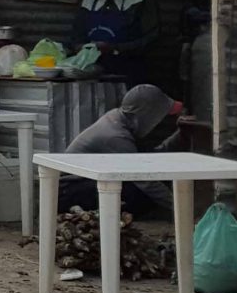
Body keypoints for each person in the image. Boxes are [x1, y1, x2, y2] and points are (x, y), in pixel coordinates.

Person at [57, 83, 183, 218]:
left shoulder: (120, 119)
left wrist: (182, 134)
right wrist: (182, 208)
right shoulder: (116, 137)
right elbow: (145, 179)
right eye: (159, 117)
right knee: (140, 195)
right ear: (147, 115)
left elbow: (151, 159)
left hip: (84, 183)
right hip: (71, 190)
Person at [68, 0, 158, 83]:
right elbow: (76, 36)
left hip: (131, 75)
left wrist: (115, 49)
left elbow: (152, 39)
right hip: (95, 77)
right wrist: (80, 47)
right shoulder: (89, 1)